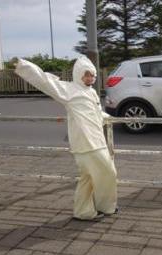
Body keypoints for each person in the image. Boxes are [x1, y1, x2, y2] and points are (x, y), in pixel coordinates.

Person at [15, 56, 118, 221]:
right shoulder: (69, 90)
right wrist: (24, 66)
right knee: (108, 172)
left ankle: (83, 211)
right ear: (78, 75)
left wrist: (110, 118)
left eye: (92, 75)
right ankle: (106, 206)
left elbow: (96, 113)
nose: (90, 78)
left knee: (88, 178)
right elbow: (45, 81)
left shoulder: (91, 92)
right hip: (87, 144)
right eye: (86, 75)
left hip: (95, 141)